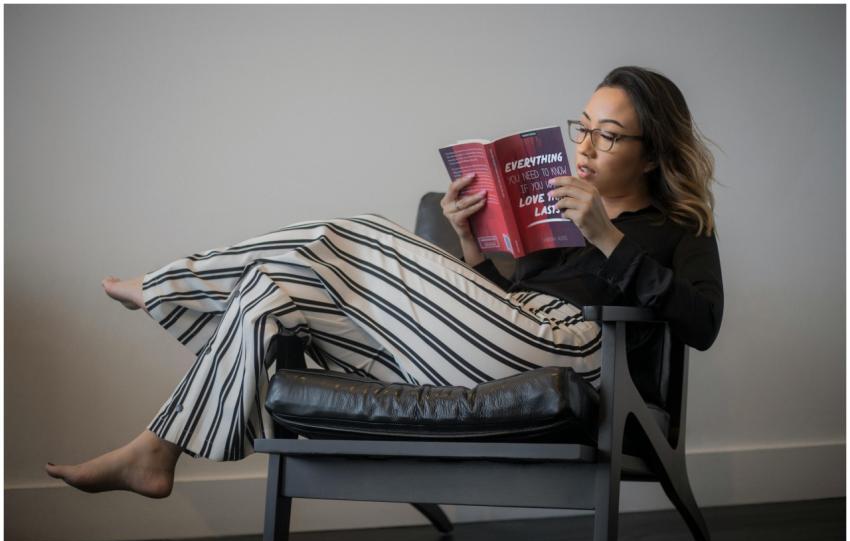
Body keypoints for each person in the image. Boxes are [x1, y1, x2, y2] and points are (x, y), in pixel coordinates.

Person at [44, 65, 723, 499]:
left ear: (652, 152)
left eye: (609, 135)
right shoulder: (555, 210)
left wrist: (607, 236)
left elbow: (702, 324)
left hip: (580, 354)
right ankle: (155, 452)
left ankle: (165, 288)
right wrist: (468, 242)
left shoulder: (679, 226)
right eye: (583, 128)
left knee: (356, 232)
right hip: (507, 340)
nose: (587, 146)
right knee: (272, 291)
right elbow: (509, 305)